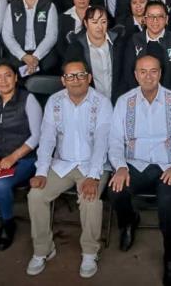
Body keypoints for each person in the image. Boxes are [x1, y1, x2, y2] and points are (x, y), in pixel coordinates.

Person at [26, 59, 113, 278]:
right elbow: (46, 139)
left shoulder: (102, 103)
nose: (76, 80)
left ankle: (90, 252)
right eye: (71, 76)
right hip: (62, 163)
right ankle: (43, 249)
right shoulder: (54, 101)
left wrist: (93, 176)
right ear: (63, 80)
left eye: (81, 75)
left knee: (90, 199)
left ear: (89, 78)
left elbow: (102, 142)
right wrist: (40, 172)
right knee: (36, 195)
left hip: (93, 164)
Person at [108, 53, 171, 286]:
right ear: (135, 75)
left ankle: (170, 256)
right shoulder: (124, 102)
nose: (148, 76)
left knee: (168, 203)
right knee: (115, 191)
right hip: (135, 163)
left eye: (153, 71)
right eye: (143, 71)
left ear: (160, 73)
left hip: (166, 165)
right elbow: (114, 140)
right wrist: (120, 167)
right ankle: (129, 221)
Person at [0, 61, 42, 256]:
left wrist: (12, 157)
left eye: (8, 75)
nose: (3, 80)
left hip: (24, 159)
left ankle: (8, 223)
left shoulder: (28, 99)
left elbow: (36, 136)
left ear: (16, 77)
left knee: (1, 185)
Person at [121, 0, 171, 95]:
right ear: (144, 19)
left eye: (160, 16)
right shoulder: (134, 40)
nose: (155, 20)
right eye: (151, 16)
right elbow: (129, 71)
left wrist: (165, 94)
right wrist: (141, 94)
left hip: (169, 95)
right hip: (139, 95)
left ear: (166, 19)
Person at [1, 0, 59, 76]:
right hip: (18, 55)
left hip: (43, 55)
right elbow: (7, 35)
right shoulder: (12, 6)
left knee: (48, 68)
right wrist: (23, 56)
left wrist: (35, 57)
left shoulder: (49, 6)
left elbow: (52, 36)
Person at [65, 5, 122, 104]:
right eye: (94, 22)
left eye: (103, 22)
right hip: (90, 104)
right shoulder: (76, 48)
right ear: (86, 23)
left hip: (118, 102)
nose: (99, 27)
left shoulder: (118, 43)